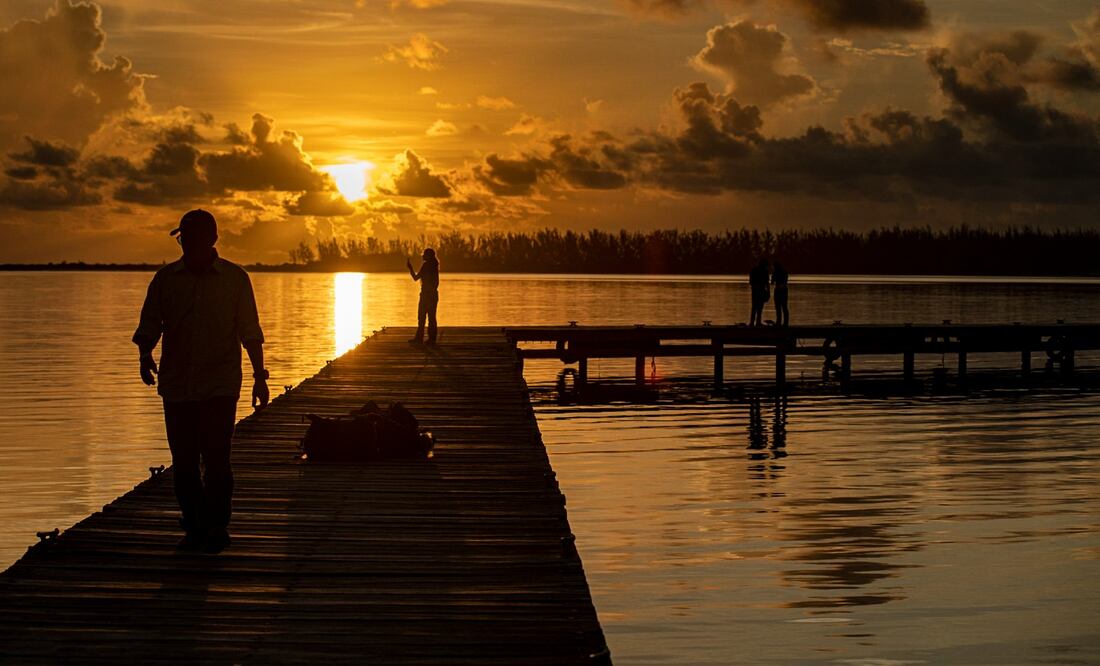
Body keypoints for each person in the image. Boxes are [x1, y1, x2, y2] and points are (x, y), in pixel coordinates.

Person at [132, 209, 268, 554]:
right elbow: (150, 324)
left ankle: (217, 524)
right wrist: (145, 356)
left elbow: (250, 332)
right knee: (185, 461)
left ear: (211, 240)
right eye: (183, 239)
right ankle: (194, 524)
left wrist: (259, 376)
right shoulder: (165, 280)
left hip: (220, 384)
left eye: (191, 238)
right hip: (177, 386)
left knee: (218, 460)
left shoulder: (235, 279)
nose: (186, 245)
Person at [407, 248, 440, 345]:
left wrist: (410, 268)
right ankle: (431, 340)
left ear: (429, 256)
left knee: (421, 317)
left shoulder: (426, 266)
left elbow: (415, 278)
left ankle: (419, 338)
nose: (422, 256)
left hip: (426, 295)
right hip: (433, 295)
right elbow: (436, 283)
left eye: (424, 254)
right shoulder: (434, 266)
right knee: (431, 318)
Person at [748, 259, 770, 326]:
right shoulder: (765, 271)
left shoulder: (753, 270)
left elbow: (751, 282)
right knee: (760, 307)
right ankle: (757, 322)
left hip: (755, 291)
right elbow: (767, 283)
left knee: (754, 307)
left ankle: (752, 322)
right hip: (761, 290)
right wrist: (768, 292)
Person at [772, 261, 790, 327]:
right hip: (784, 290)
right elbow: (785, 281)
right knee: (784, 307)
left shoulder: (775, 272)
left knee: (778, 307)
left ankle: (778, 322)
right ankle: (786, 323)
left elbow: (772, 282)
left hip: (778, 290)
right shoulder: (785, 272)